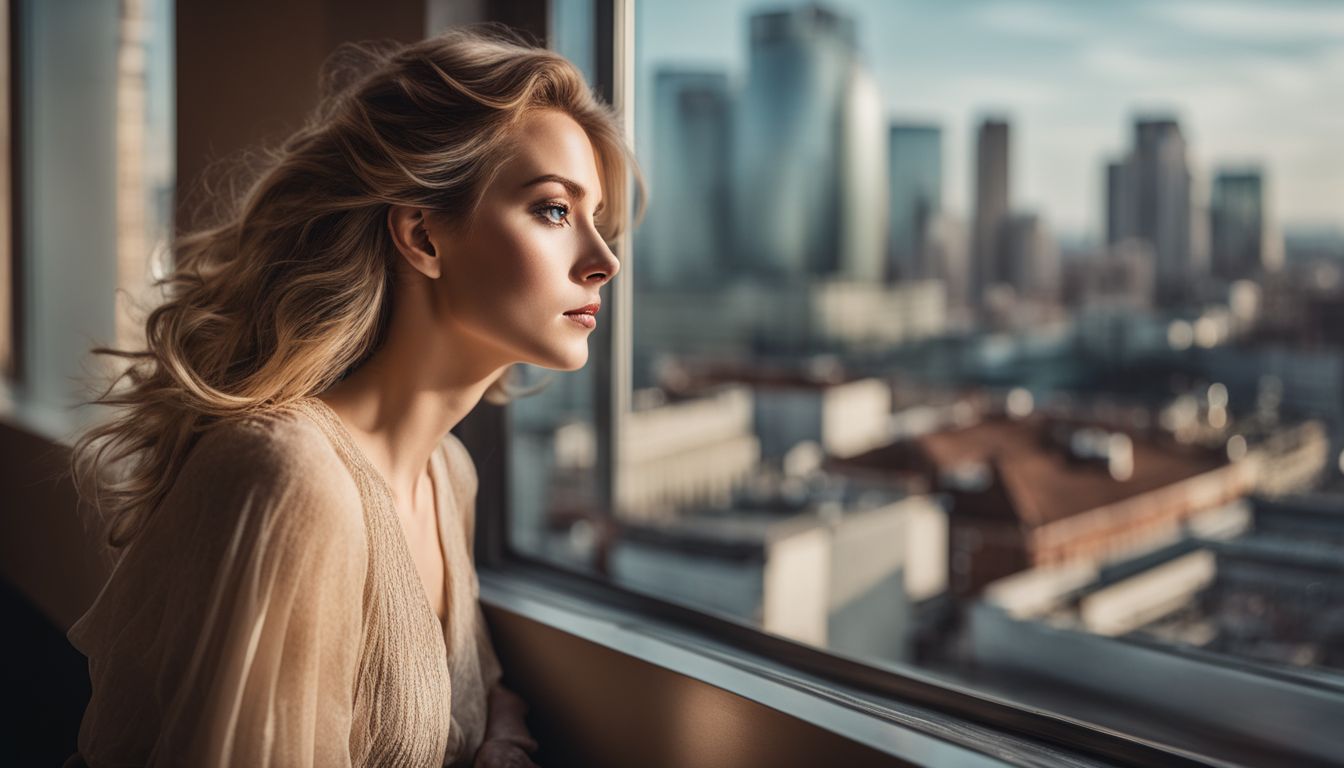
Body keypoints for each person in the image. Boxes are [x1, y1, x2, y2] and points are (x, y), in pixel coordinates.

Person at [65, 24, 639, 768]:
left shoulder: (446, 477)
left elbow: (480, 698)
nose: (603, 261)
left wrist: (501, 738)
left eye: (597, 221)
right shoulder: (290, 480)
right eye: (555, 211)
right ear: (423, 238)